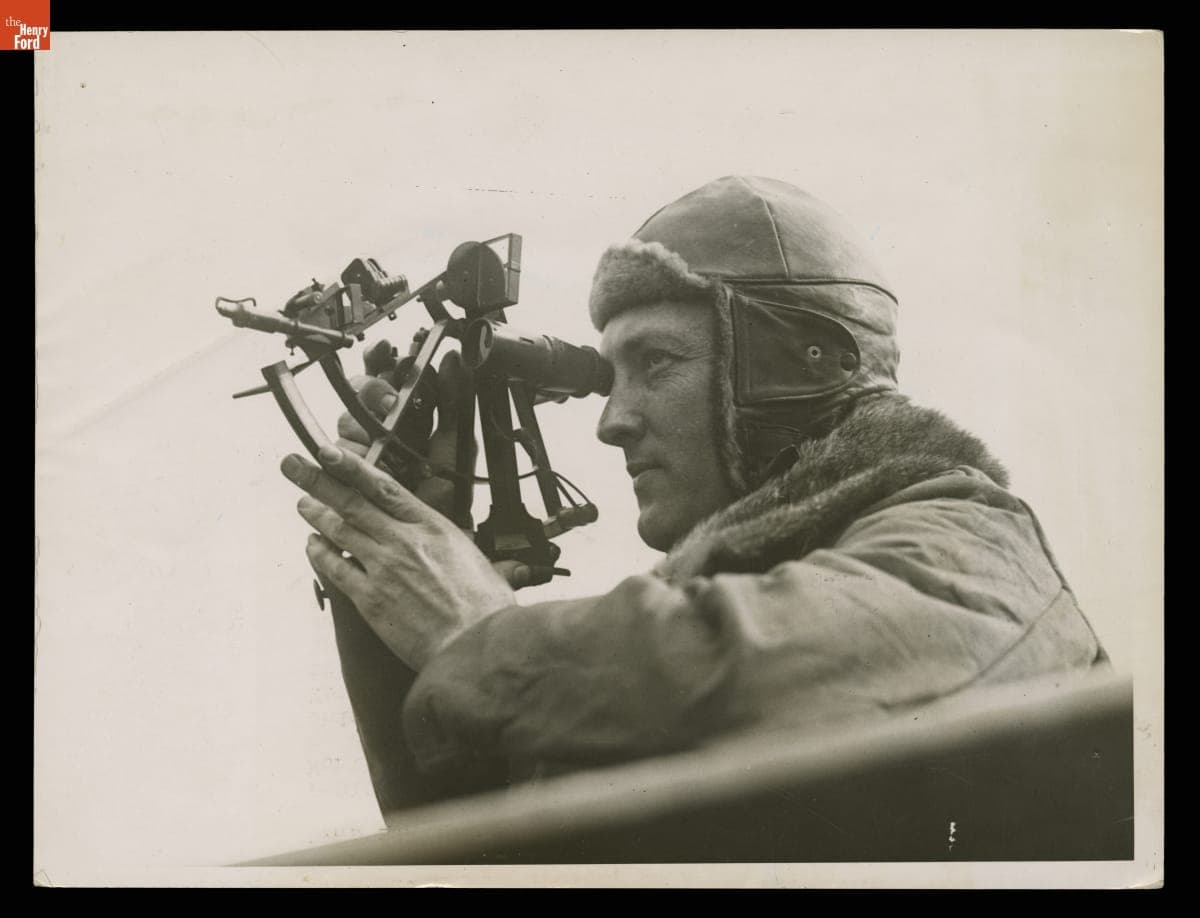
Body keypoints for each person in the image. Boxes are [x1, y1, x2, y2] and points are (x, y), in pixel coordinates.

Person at [279, 176, 1110, 819]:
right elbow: (483, 856)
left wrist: (476, 634)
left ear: (801, 365)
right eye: (611, 374)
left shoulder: (966, 536)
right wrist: (393, 587)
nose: (610, 424)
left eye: (658, 364)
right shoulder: (672, 640)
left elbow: (769, 688)